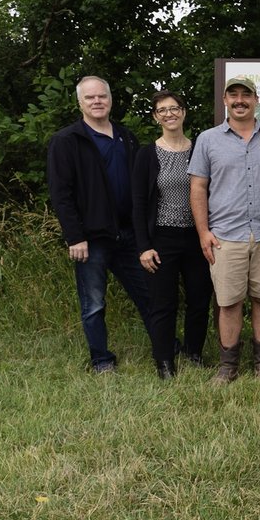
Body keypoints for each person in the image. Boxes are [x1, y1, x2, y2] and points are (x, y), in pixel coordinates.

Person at [189, 77, 260, 383]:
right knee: (229, 301)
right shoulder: (208, 139)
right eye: (233, 95)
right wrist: (203, 231)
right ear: (224, 100)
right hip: (224, 236)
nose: (239, 100)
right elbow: (198, 187)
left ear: (256, 100)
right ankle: (228, 366)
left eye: (245, 95)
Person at [47, 76, 153, 373]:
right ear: (80, 102)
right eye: (90, 97)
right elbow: (61, 193)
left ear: (110, 99)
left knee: (148, 294)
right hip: (91, 238)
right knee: (93, 303)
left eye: (102, 96)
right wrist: (74, 236)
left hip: (128, 235)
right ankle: (101, 360)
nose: (97, 102)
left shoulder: (125, 137)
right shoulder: (67, 141)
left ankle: (166, 347)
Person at [132, 90, 213, 379]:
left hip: (197, 236)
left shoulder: (200, 148)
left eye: (174, 108)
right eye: (162, 110)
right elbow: (139, 203)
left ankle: (193, 352)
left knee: (199, 300)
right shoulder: (146, 154)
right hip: (161, 239)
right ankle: (164, 361)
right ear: (155, 117)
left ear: (184, 112)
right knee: (163, 304)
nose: (169, 114)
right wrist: (143, 246)